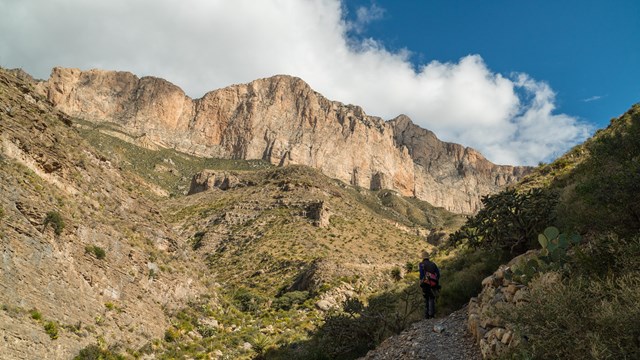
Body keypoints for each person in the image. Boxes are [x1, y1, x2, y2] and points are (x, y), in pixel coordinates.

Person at [419, 250, 440, 319]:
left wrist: (421, 282)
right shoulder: (433, 264)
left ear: (422, 258)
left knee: (427, 297)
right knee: (432, 297)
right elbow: (438, 274)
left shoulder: (421, 264)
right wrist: (435, 281)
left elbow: (421, 275)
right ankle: (432, 314)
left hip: (426, 283)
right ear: (428, 257)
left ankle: (428, 315)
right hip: (434, 282)